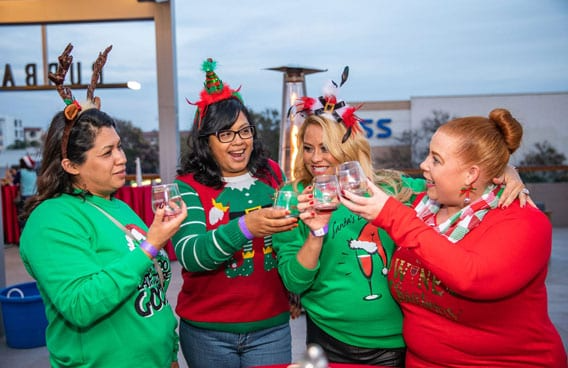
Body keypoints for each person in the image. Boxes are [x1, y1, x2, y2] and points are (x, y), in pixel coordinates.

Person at [272, 70, 531, 367]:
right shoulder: (294, 199)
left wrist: (507, 172)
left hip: (399, 342)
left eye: (325, 148)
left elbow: (459, 186)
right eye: (308, 148)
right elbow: (294, 281)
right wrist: (316, 234)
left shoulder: (393, 189)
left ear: (349, 148)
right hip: (328, 338)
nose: (315, 158)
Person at [339, 108, 568, 367]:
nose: (423, 165)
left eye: (436, 159)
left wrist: (395, 217)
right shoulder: (422, 208)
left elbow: (472, 277)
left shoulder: (525, 222)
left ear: (471, 174)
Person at [19, 43, 187, 368]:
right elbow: (80, 304)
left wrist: (169, 351)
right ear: (71, 165)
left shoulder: (118, 207)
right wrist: (151, 244)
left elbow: (151, 294)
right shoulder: (51, 220)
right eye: (107, 153)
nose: (122, 158)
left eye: (120, 147)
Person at [172, 58, 299, 368]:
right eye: (225, 134)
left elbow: (291, 237)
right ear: (206, 141)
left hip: (271, 328)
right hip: (207, 333)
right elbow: (190, 254)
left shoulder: (270, 173)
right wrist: (245, 227)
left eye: (245, 131)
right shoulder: (187, 185)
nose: (239, 141)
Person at [13, 154, 37, 231]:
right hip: (35, 195)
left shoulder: (21, 172)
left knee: (23, 216)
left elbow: (14, 182)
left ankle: (23, 233)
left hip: (25, 196)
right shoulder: (34, 172)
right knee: (32, 215)